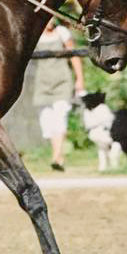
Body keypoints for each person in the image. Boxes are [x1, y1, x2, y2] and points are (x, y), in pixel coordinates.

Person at [32, 19, 86, 171]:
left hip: (62, 81)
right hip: (42, 82)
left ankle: (56, 157)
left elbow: (74, 55)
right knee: (46, 123)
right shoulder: (36, 34)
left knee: (60, 116)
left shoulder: (62, 33)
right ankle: (58, 155)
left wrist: (79, 79)